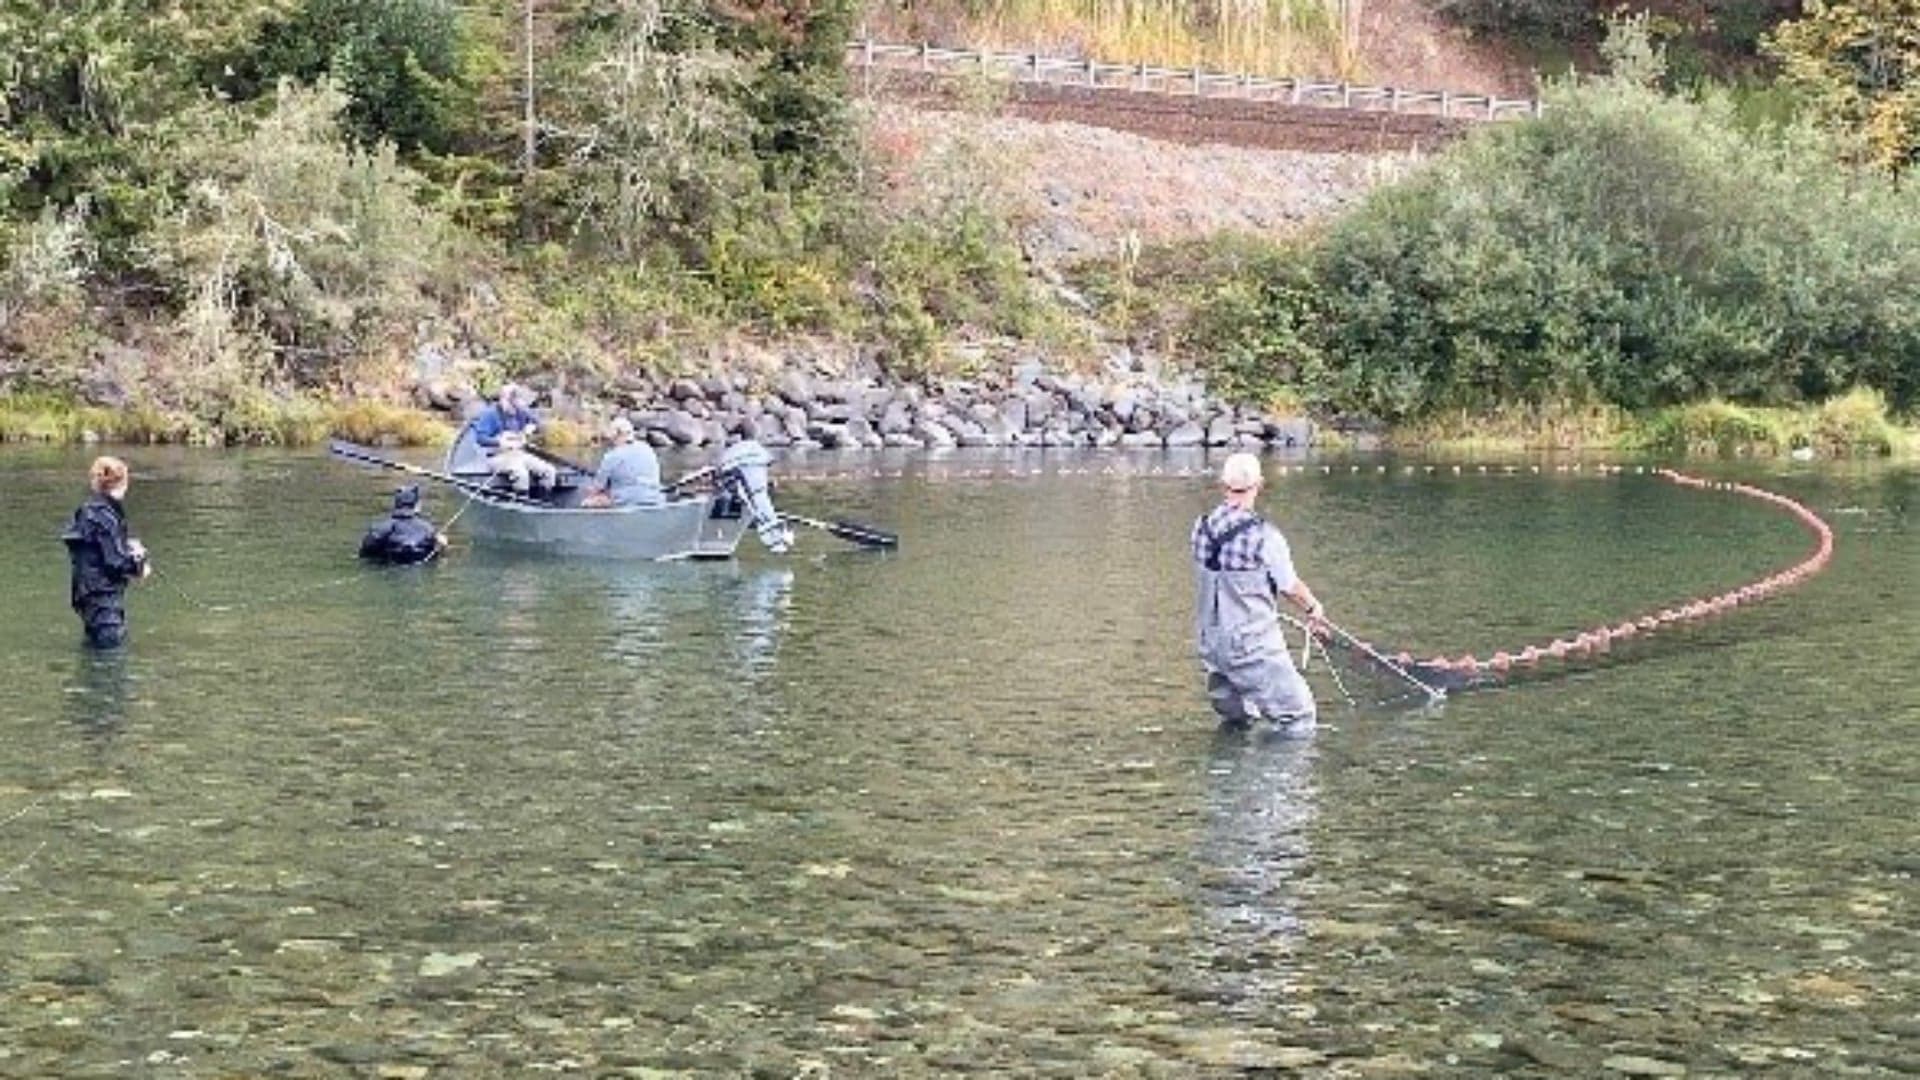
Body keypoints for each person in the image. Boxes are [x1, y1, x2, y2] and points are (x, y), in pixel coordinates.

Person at [1191, 452, 1326, 732]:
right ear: (1259, 485)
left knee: (1238, 719)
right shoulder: (1264, 537)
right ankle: (1267, 775)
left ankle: (1228, 773)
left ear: (1223, 485)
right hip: (1251, 647)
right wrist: (1313, 609)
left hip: (1211, 645)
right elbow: (1290, 587)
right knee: (1298, 717)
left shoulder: (1200, 529)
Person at [61, 456, 150, 649]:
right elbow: (115, 563)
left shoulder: (88, 511)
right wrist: (140, 562)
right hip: (104, 602)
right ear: (124, 482)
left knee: (96, 657)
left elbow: (96, 549)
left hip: (86, 597)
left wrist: (125, 546)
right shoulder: (106, 516)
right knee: (111, 663)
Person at [471, 383, 556, 495]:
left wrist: (532, 428)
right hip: (497, 457)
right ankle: (521, 503)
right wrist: (501, 443)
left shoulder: (521, 411)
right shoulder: (490, 415)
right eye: (510, 402)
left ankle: (544, 500)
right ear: (502, 399)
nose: (514, 407)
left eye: (516, 403)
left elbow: (540, 425)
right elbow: (480, 438)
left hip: (519, 455)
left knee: (549, 471)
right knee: (521, 474)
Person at [582, 417, 664, 509]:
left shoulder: (612, 456)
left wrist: (587, 491)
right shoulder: (647, 449)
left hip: (626, 501)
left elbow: (597, 487)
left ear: (615, 435)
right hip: (655, 498)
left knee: (588, 502)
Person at [359, 485, 448, 564]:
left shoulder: (380, 528)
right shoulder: (429, 530)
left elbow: (364, 554)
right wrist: (442, 547)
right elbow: (437, 558)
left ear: (396, 504)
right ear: (417, 506)